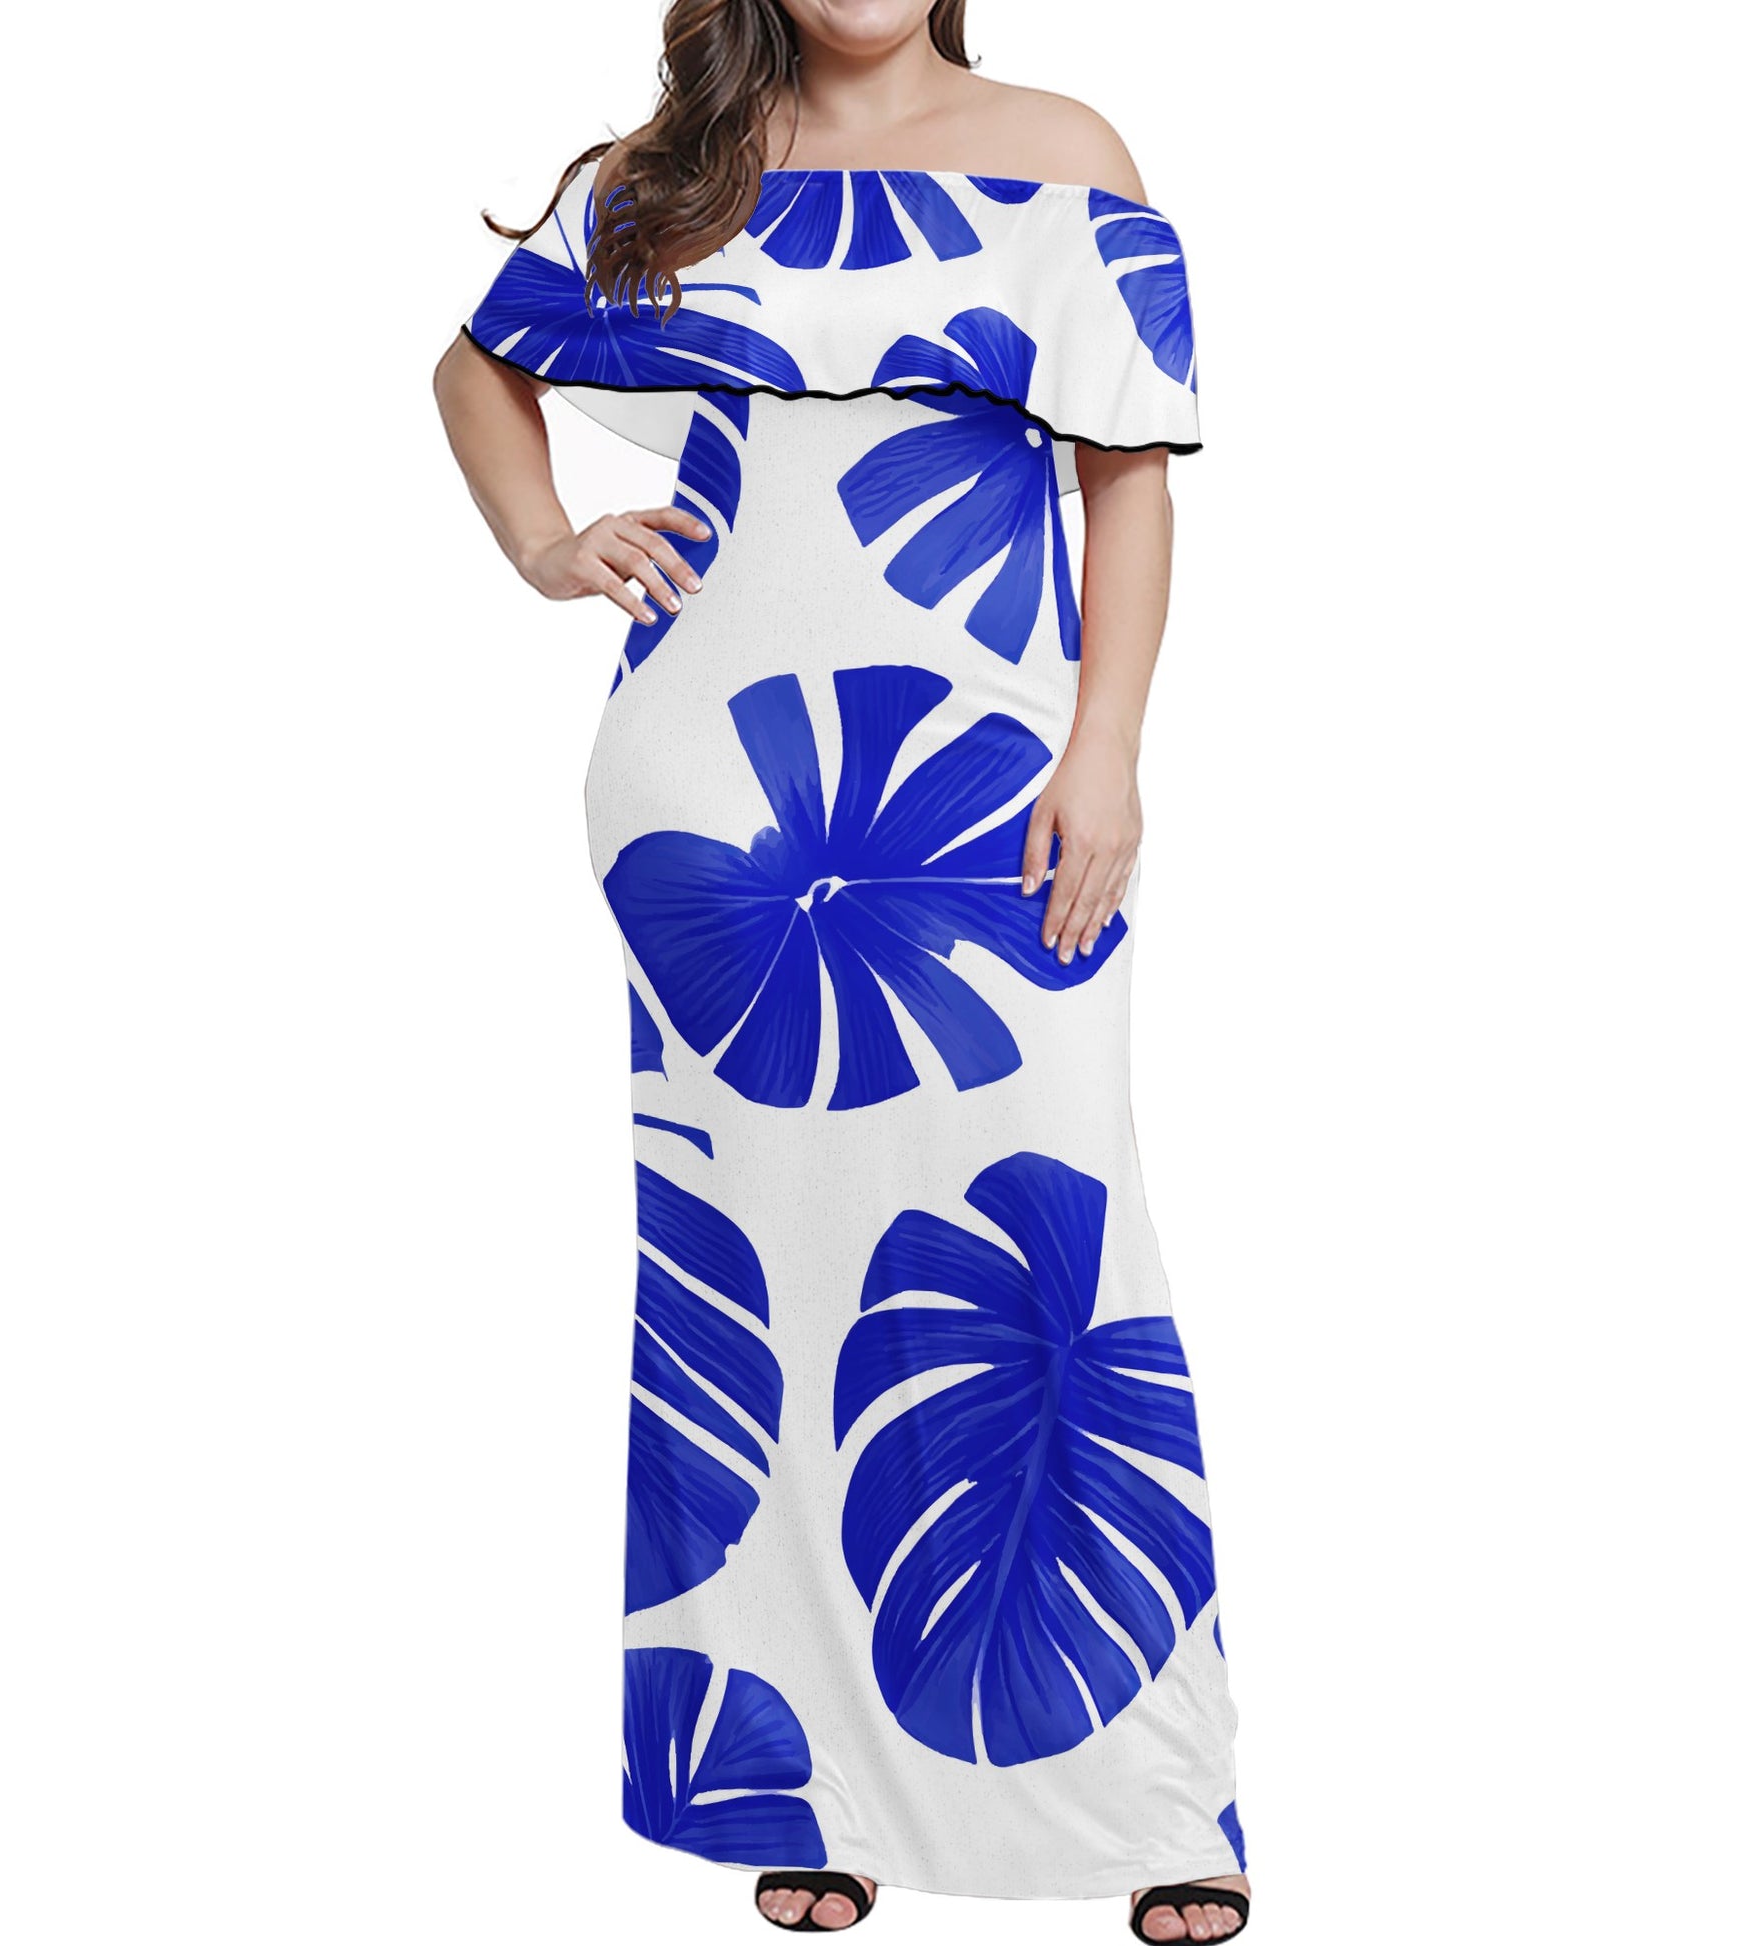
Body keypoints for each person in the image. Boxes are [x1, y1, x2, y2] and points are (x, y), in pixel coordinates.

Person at [433, 4, 1249, 1939]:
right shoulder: (670, 176)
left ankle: (1149, 1799)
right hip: (708, 799)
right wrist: (546, 545)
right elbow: (474, 369)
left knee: (1047, 1255)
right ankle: (799, 1780)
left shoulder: (1064, 150)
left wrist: (1107, 748)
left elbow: (1126, 478)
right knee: (756, 1273)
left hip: (990, 792)